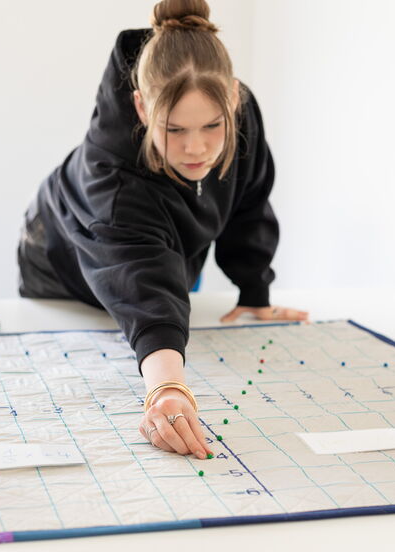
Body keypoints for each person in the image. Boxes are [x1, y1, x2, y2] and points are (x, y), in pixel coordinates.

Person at [18, 0, 308, 459]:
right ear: (141, 106)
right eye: (173, 130)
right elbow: (141, 281)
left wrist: (255, 291)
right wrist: (166, 389)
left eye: (213, 126)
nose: (197, 148)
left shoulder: (242, 116)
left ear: (234, 97)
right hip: (63, 270)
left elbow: (248, 201)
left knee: (173, 302)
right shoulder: (111, 176)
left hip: (163, 253)